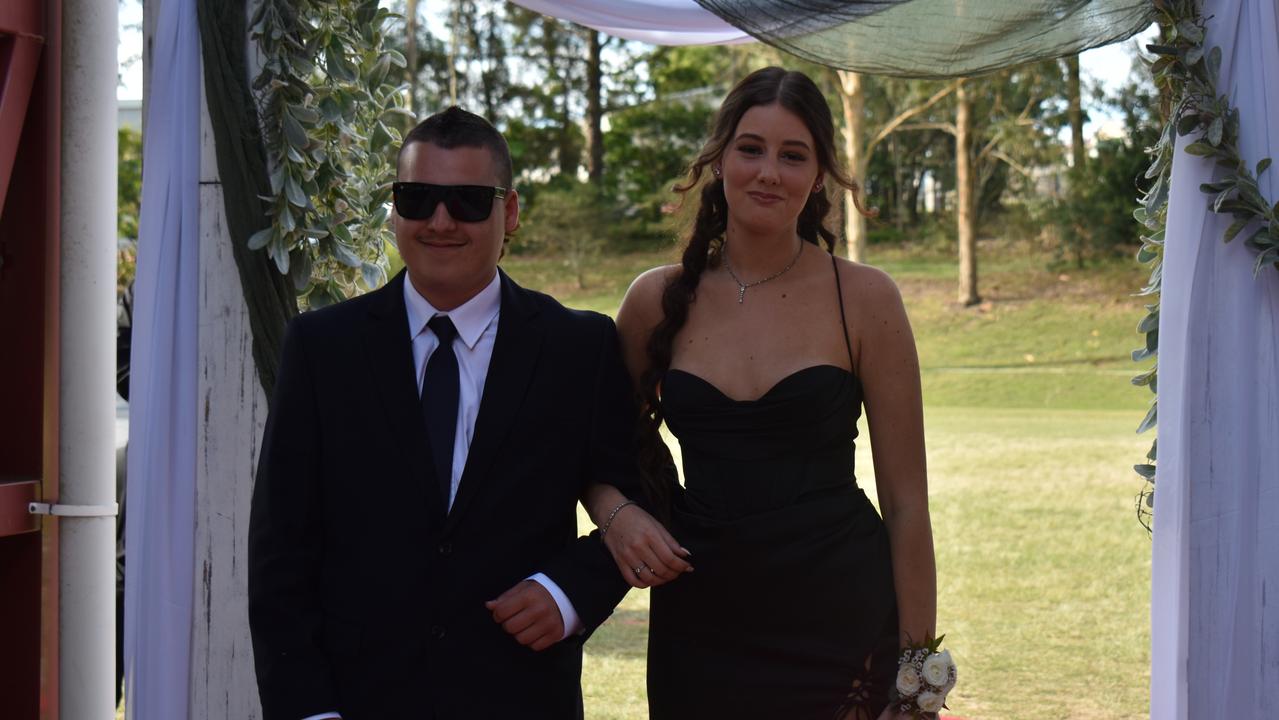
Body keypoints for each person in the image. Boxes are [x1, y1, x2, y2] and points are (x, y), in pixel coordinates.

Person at [248, 106, 641, 720]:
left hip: (520, 695)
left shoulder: (578, 347)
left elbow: (644, 499)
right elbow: (282, 551)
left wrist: (568, 592)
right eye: (418, 197)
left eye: (467, 201)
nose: (440, 220)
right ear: (394, 208)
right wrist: (309, 710)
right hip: (358, 699)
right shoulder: (322, 348)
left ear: (509, 212)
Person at [584, 67, 942, 719]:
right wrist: (615, 513)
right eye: (750, 148)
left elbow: (907, 503)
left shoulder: (864, 300)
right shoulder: (654, 299)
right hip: (700, 623)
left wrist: (921, 676)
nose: (768, 172)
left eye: (793, 155)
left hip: (842, 619)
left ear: (820, 175)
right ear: (718, 160)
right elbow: (594, 449)